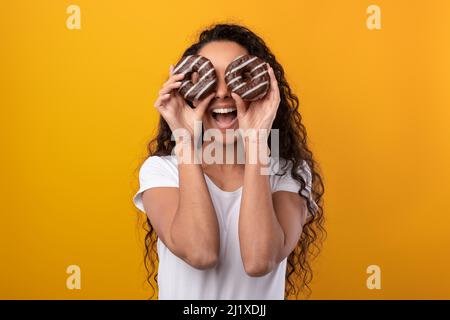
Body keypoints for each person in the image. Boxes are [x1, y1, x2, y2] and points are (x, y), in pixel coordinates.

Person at [133, 23, 325, 300]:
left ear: (261, 87)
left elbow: (259, 261)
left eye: (237, 76)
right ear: (187, 90)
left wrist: (258, 140)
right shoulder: (163, 171)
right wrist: (185, 140)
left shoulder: (288, 174)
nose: (223, 93)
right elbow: (200, 253)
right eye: (210, 78)